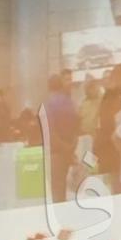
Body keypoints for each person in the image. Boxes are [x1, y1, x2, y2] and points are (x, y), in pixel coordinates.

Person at [41, 74, 79, 203]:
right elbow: (76, 128)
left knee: (58, 193)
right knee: (71, 190)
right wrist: (71, 148)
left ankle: (61, 214)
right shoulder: (70, 103)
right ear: (61, 86)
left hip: (56, 154)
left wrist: (63, 147)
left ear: (48, 87)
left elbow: (50, 133)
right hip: (70, 152)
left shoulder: (49, 105)